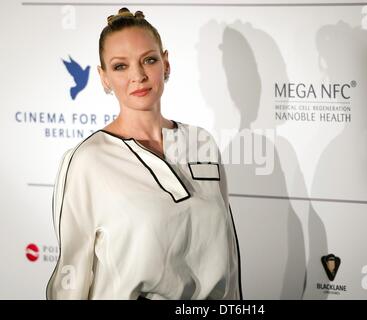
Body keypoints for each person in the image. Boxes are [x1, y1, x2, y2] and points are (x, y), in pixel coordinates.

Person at [46, 7, 242, 300]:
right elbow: (70, 278)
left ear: (165, 63)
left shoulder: (202, 142)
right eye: (120, 66)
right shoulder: (87, 161)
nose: (137, 75)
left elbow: (229, 254)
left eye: (148, 60)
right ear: (104, 78)